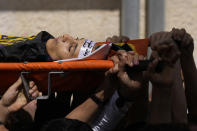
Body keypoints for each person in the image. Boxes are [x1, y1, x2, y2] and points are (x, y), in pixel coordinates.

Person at [0, 31, 131, 62]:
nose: (66, 36)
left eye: (71, 48)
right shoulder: (39, 43)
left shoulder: (18, 55)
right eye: (77, 39)